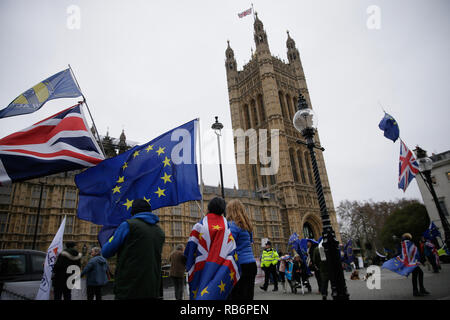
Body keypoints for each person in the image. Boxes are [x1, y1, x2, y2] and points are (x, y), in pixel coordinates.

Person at [102, 199, 165, 299]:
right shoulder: (160, 231)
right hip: (152, 287)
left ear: (133, 212)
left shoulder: (128, 225)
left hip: (129, 287)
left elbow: (106, 252)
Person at [226, 199, 257, 300]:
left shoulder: (232, 225)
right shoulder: (247, 226)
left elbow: (227, 245)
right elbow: (251, 242)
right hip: (251, 264)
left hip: (240, 266)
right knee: (248, 296)